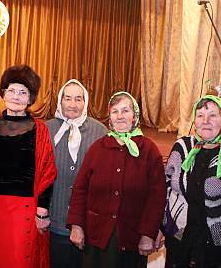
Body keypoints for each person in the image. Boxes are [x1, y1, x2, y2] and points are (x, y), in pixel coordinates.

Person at [67, 91, 166, 268]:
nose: (120, 116)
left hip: (132, 238)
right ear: (110, 117)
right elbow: (80, 189)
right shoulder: (97, 148)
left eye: (125, 110)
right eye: (115, 111)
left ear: (134, 115)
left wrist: (148, 234)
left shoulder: (149, 151)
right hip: (96, 236)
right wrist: (76, 225)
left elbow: (157, 198)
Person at [162, 95, 221, 268]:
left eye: (213, 115)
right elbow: (166, 190)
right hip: (180, 241)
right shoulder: (182, 147)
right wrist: (162, 228)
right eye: (200, 115)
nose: (205, 121)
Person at [0, 65, 57, 268]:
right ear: (3, 93)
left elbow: (47, 171)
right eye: (12, 90)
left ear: (30, 98)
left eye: (23, 92)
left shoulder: (39, 129)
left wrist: (42, 209)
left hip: (25, 209)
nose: (16, 96)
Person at [45, 79, 107, 268]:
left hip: (87, 221)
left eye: (78, 99)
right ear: (59, 101)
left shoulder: (99, 131)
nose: (72, 104)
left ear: (86, 102)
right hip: (54, 217)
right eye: (67, 98)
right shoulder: (46, 129)